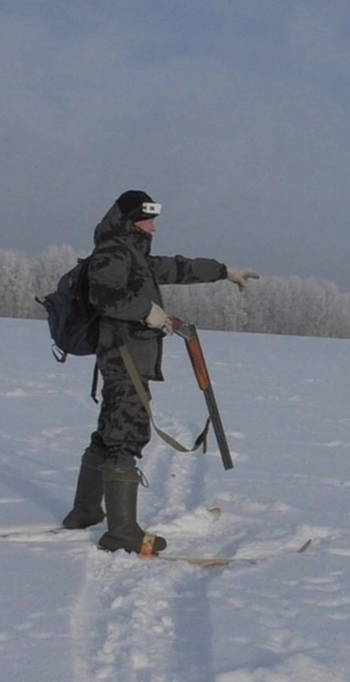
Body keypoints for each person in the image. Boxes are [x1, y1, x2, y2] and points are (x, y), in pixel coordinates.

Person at [61, 190, 259, 554]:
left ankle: (85, 511)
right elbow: (105, 297)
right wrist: (147, 312)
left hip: (130, 354)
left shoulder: (134, 253)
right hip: (122, 355)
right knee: (127, 433)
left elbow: (179, 268)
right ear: (128, 221)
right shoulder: (112, 252)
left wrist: (223, 272)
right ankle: (122, 531)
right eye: (146, 219)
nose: (153, 226)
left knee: (110, 430)